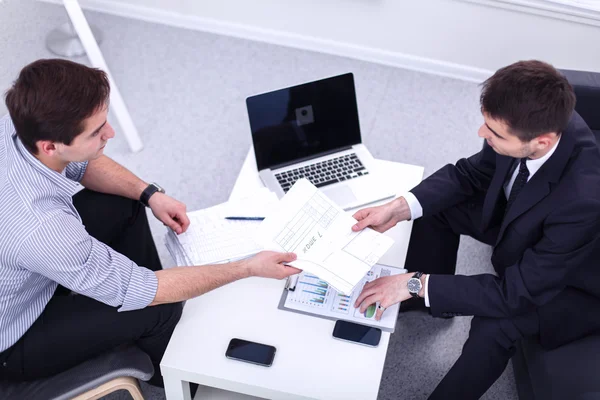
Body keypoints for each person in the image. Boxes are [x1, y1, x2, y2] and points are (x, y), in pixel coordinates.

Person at [0, 59, 300, 387]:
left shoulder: (18, 126)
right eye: (96, 132)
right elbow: (145, 291)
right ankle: (177, 381)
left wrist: (150, 194)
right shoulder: (43, 229)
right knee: (161, 308)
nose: (110, 133)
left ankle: (139, 308)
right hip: (15, 337)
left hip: (27, 267)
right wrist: (246, 268)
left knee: (127, 202)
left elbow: (82, 166)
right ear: (50, 146)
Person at [351, 60, 600, 399]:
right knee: (435, 208)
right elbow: (471, 174)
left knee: (495, 325)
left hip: (572, 284)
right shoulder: (525, 120)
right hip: (523, 223)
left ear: (542, 143)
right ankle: (432, 303)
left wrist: (415, 283)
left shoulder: (583, 200)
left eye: (494, 134)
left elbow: (515, 294)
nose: (482, 135)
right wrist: (400, 207)